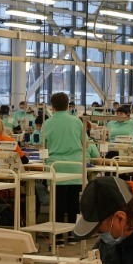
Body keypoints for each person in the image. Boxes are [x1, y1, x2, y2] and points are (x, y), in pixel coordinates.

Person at [43, 92, 89, 223]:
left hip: (56, 167)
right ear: (68, 105)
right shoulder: (76, 121)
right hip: (75, 167)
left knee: (58, 205)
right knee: (74, 205)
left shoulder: (47, 123)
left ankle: (57, 233)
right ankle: (73, 232)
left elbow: (42, 146)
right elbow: (85, 144)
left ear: (52, 106)